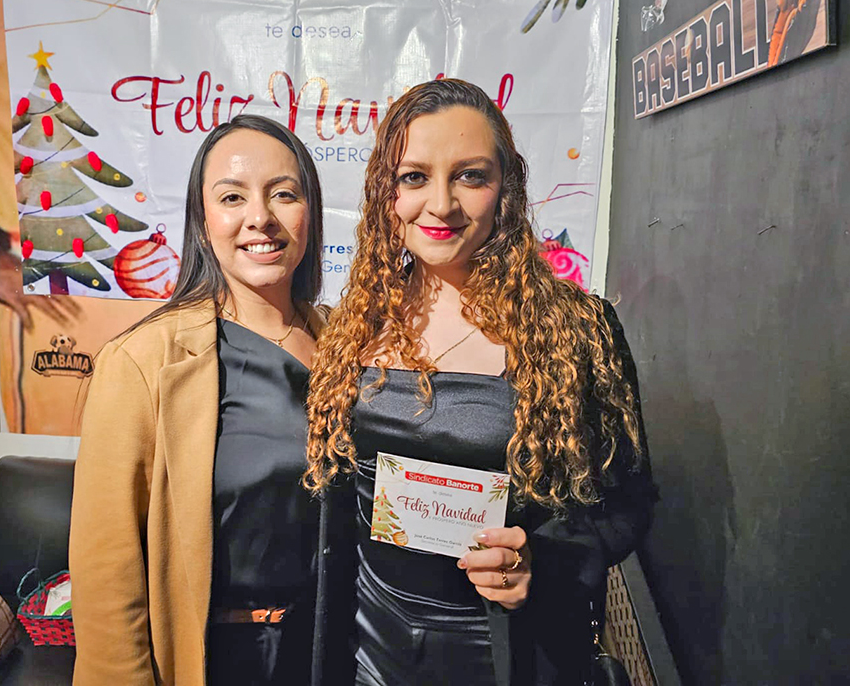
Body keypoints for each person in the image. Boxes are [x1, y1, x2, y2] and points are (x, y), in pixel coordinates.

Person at [305, 79, 657, 686]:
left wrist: (541, 563)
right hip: (369, 648)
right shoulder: (355, 323)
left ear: (506, 189)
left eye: (470, 176)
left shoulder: (576, 328)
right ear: (386, 193)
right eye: (414, 177)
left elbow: (628, 502)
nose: (441, 204)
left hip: (509, 652)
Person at [70, 115, 326, 686]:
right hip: (225, 660)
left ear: (309, 213)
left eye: (283, 193)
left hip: (336, 652)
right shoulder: (143, 360)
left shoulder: (345, 344)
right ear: (203, 222)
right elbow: (106, 572)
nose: (260, 217)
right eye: (233, 197)